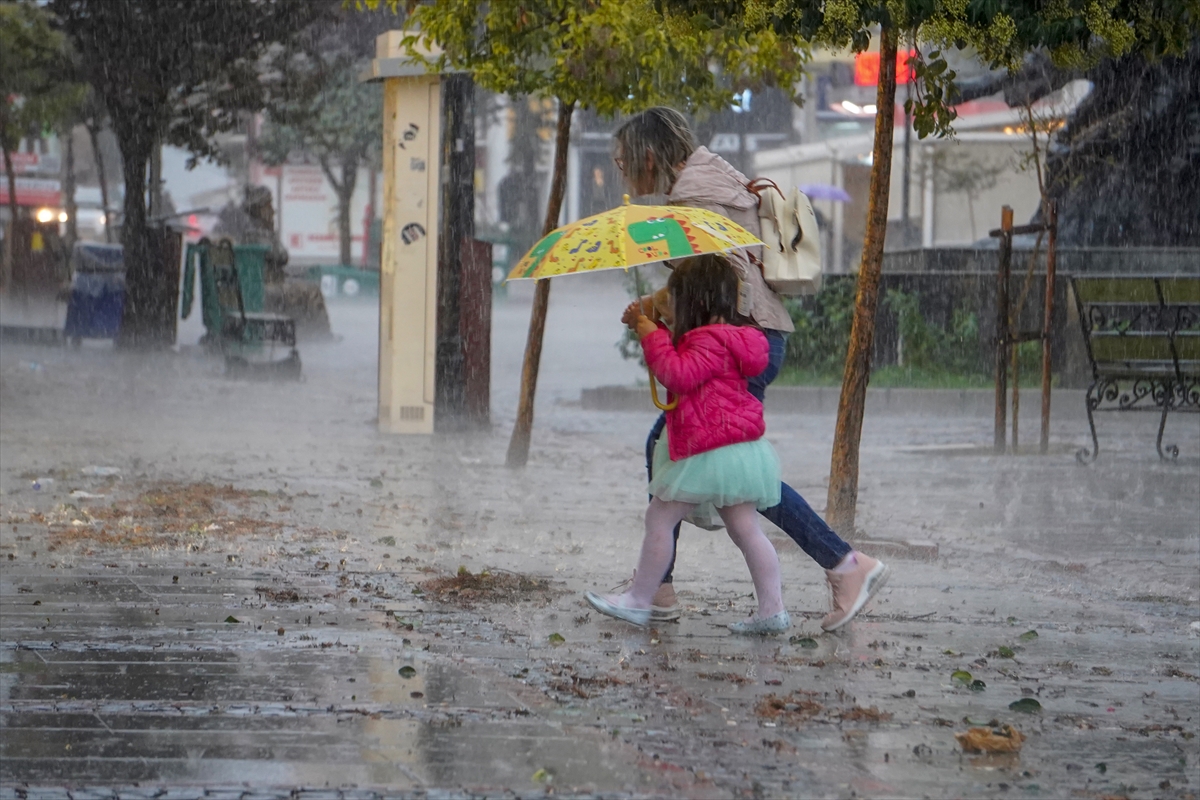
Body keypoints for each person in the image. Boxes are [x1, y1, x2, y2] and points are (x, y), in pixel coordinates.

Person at [612, 107, 889, 632]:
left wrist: (656, 311)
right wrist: (661, 305)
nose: (625, 175)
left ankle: (844, 564)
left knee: (736, 472)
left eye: (626, 164)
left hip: (739, 345)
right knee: (711, 462)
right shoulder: (717, 176)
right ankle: (660, 586)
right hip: (754, 338)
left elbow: (718, 283)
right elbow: (722, 276)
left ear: (650, 157)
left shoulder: (693, 198)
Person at [587, 255, 790, 634]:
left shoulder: (706, 340)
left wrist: (651, 333)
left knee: (659, 517)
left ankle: (639, 600)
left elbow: (677, 375)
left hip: (708, 448)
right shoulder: (734, 337)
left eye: (674, 300)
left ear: (693, 302)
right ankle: (772, 609)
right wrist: (653, 323)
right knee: (746, 529)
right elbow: (690, 365)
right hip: (741, 448)